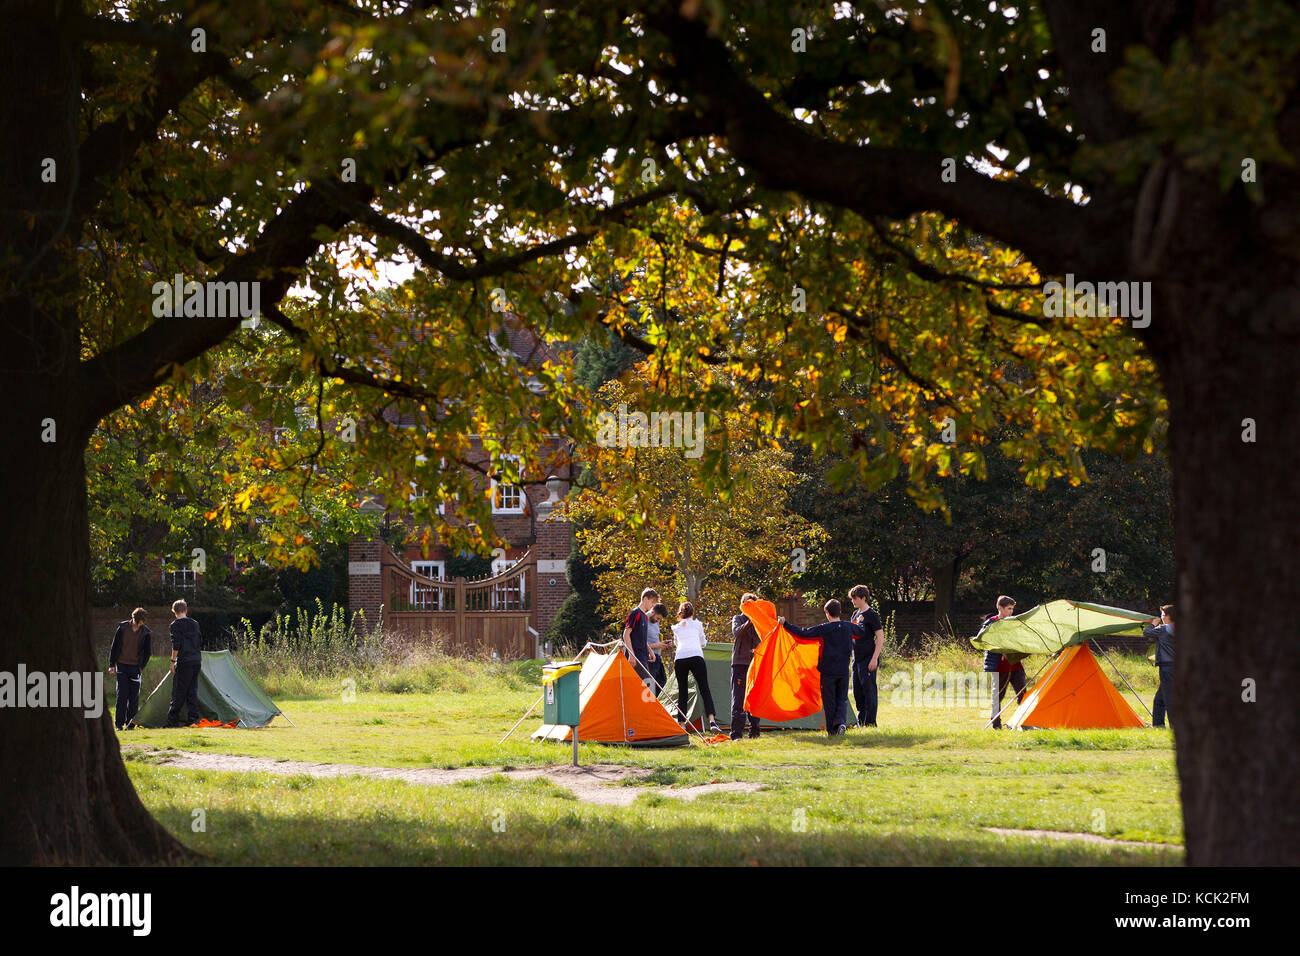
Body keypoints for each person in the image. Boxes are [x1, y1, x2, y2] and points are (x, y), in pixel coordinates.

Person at [779, 599, 865, 736]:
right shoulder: (848, 627)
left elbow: (803, 633)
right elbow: (861, 632)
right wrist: (860, 621)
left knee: (829, 701)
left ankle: (832, 730)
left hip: (828, 671)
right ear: (840, 612)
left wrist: (785, 624)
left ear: (827, 613)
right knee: (841, 699)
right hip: (843, 670)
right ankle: (841, 722)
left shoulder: (824, 629)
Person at [671, 602, 721, 734]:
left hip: (680, 658)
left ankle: (682, 724)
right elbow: (703, 642)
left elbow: (676, 643)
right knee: (704, 689)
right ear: (692, 613)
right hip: (696, 656)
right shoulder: (698, 625)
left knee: (683, 691)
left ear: (680, 613)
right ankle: (712, 721)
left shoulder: (676, 628)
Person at [980, 595, 1025, 729]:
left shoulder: (1013, 622)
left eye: (1012, 609)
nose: (1011, 612)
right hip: (999, 667)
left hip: (1016, 665)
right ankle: (996, 724)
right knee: (997, 697)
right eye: (1008, 608)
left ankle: (1022, 721)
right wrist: (1000, 648)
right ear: (1000, 608)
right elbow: (983, 640)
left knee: (1023, 694)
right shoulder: (990, 623)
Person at [108, 607, 152, 731]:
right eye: (140, 622)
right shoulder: (122, 628)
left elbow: (148, 652)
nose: (141, 624)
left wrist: (141, 667)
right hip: (121, 665)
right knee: (121, 695)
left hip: (135, 668)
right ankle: (118, 724)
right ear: (134, 619)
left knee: (134, 697)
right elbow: (114, 646)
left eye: (143, 622)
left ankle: (130, 724)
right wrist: (112, 664)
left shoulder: (146, 632)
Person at [848, 585, 885, 728]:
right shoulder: (855, 615)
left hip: (868, 659)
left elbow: (880, 637)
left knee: (869, 690)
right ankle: (860, 721)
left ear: (863, 598)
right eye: (852, 599)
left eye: (855, 598)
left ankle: (870, 723)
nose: (853, 601)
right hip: (856, 660)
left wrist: (874, 658)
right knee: (857, 692)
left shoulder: (872, 615)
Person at [730, 593, 764, 740]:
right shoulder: (737, 618)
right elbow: (737, 632)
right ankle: (736, 734)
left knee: (755, 698)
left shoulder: (759, 621)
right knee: (738, 699)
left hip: (755, 664)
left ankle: (755, 732)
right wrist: (750, 620)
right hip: (739, 663)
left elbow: (764, 637)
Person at [166, 599, 203, 727]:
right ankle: (192, 719)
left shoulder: (175, 625)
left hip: (184, 660)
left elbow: (176, 645)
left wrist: (172, 662)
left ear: (174, 611)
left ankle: (172, 721)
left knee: (178, 691)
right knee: (192, 690)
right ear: (186, 610)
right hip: (196, 660)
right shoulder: (195, 624)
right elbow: (199, 641)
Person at [621, 588, 659, 691]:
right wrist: (631, 655)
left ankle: (640, 707)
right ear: (645, 599)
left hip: (643, 656)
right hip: (635, 657)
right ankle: (649, 707)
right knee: (649, 686)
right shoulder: (635, 613)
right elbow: (626, 634)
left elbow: (641, 637)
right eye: (652, 602)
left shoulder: (645, 617)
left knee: (640, 687)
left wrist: (650, 650)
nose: (653, 605)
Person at [1144, 605, 1175, 728]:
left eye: (1162, 615)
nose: (1161, 618)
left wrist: (1153, 624)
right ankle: (1158, 725)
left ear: (1168, 616)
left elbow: (1147, 632)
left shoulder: (1164, 629)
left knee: (1168, 698)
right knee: (1159, 700)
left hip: (1167, 668)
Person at [646, 602, 671, 693]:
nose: (658, 621)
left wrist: (663, 644)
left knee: (662, 687)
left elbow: (654, 640)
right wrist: (657, 645)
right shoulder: (643, 621)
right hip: (648, 660)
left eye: (660, 619)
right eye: (658, 618)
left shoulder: (655, 623)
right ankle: (649, 707)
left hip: (657, 659)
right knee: (649, 690)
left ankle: (658, 707)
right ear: (653, 612)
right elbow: (639, 644)